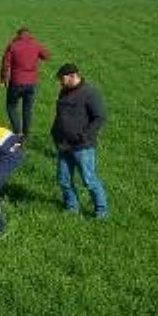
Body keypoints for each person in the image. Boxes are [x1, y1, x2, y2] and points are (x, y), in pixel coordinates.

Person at [51, 63, 108, 219]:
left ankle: (101, 211)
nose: (60, 82)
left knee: (89, 180)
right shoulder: (64, 92)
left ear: (72, 76)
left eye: (62, 79)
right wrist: (54, 132)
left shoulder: (90, 93)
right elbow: (60, 115)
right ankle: (71, 207)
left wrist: (85, 136)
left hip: (82, 147)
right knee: (63, 179)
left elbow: (99, 117)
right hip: (63, 144)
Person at [0, 27, 50, 140]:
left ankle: (17, 132)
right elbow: (47, 56)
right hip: (32, 83)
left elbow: (5, 63)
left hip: (16, 82)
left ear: (18, 35)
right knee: (27, 108)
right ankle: (26, 133)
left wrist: (3, 79)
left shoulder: (13, 45)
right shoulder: (35, 44)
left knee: (11, 106)